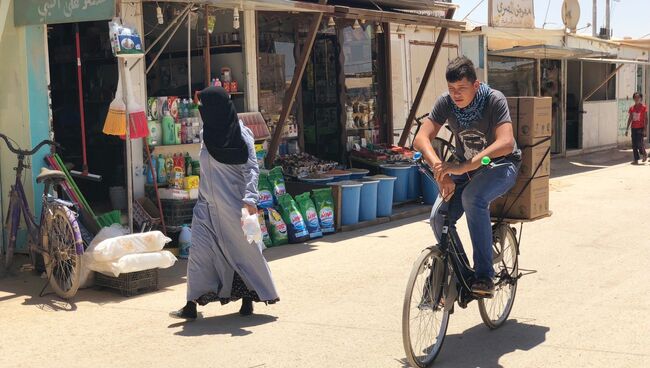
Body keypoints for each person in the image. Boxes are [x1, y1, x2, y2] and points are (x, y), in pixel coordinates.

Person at [413, 57, 520, 297]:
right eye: (451, 89)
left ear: (475, 85)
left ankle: (484, 276)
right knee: (438, 217)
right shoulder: (446, 103)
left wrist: (464, 167)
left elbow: (506, 143)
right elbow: (421, 138)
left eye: (461, 88)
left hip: (500, 165)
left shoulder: (494, 100)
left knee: (473, 198)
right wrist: (440, 168)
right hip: (465, 168)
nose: (456, 94)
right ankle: (462, 273)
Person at [170, 87, 279, 320]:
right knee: (200, 254)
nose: (202, 113)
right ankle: (191, 304)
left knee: (244, 252)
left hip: (235, 207)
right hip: (206, 207)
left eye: (205, 108)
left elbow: (252, 168)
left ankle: (251, 298)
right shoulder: (208, 133)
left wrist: (250, 199)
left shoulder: (242, 134)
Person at [625, 92, 648, 165]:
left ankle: (644, 153)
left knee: (639, 143)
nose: (637, 99)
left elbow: (646, 119)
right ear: (633, 99)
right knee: (634, 144)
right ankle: (636, 159)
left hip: (641, 128)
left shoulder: (644, 107)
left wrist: (645, 129)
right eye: (635, 98)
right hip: (633, 128)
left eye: (638, 97)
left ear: (641, 98)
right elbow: (630, 118)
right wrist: (627, 128)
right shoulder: (632, 108)